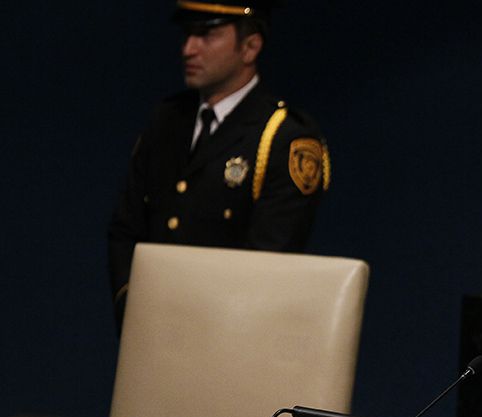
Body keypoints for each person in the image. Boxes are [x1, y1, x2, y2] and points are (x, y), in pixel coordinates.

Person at [108, 0, 328, 321]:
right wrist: (133, 308)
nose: (188, 49)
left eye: (206, 36)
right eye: (187, 35)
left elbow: (269, 262)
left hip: (230, 335)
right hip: (152, 326)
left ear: (250, 47)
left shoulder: (283, 138)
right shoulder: (167, 120)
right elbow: (126, 228)